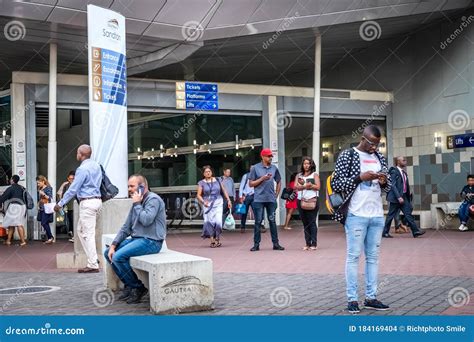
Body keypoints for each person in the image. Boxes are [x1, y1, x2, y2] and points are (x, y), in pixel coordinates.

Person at [331, 125, 391, 313]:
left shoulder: (379, 157)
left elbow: (387, 188)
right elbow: (336, 182)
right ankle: (352, 299)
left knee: (373, 258)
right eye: (372, 143)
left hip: (376, 215)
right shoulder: (348, 155)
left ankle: (371, 297)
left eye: (378, 144)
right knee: (353, 257)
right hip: (356, 215)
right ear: (363, 139)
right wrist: (359, 177)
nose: (375, 147)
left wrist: (383, 181)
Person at [104, 175, 166, 304]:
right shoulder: (136, 202)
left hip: (152, 242)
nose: (129, 189)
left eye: (132, 186)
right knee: (108, 253)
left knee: (118, 257)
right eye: (128, 186)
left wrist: (137, 203)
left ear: (143, 186)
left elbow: (146, 220)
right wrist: (114, 245)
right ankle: (129, 284)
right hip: (138, 240)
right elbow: (126, 227)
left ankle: (138, 288)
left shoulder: (153, 200)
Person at [54, 144, 102, 273]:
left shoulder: (82, 169)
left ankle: (93, 264)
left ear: (81, 154)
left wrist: (61, 203)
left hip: (87, 202)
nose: (76, 155)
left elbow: (73, 189)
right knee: (80, 231)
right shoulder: (97, 166)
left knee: (88, 234)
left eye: (77, 153)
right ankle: (93, 259)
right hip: (97, 201)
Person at [248, 148, 285, 251]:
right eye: (269, 156)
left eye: (271, 156)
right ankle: (256, 244)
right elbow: (250, 184)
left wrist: (276, 194)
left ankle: (276, 244)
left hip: (271, 200)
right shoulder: (255, 168)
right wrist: (262, 179)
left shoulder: (274, 168)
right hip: (258, 199)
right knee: (258, 222)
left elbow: (279, 181)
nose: (270, 158)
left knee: (272, 221)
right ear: (263, 157)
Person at [382, 156, 425, 238]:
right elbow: (393, 185)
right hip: (396, 198)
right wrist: (398, 197)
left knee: (408, 214)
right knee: (391, 215)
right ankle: (385, 232)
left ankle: (415, 231)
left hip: (404, 197)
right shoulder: (394, 171)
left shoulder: (404, 173)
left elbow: (404, 185)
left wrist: (408, 194)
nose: (405, 162)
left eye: (405, 160)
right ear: (398, 162)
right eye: (403, 160)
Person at [196, 165, 231, 247]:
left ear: (211, 172)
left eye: (209, 171)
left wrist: (228, 200)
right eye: (206, 172)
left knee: (218, 221)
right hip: (207, 204)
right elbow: (198, 195)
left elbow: (224, 190)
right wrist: (203, 202)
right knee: (209, 222)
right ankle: (212, 240)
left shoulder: (218, 180)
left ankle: (217, 238)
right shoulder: (201, 183)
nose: (208, 173)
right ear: (203, 174)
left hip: (218, 202)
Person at [295, 157, 320, 250]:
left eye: (308, 163)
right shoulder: (299, 175)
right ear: (302, 165)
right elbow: (295, 187)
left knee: (312, 222)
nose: (306, 165)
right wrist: (305, 186)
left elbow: (318, 187)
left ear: (311, 165)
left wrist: (311, 185)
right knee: (305, 223)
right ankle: (307, 243)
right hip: (301, 200)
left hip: (312, 200)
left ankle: (314, 244)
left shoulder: (315, 175)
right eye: (304, 163)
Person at [0, 175, 27, 246]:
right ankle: (8, 241)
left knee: (18, 224)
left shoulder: (11, 188)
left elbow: (3, 197)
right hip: (23, 206)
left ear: (12, 180)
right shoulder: (22, 188)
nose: (10, 180)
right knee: (12, 223)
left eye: (10, 179)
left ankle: (23, 242)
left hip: (15, 207)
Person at [57, 171, 76, 243]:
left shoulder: (77, 185)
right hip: (68, 206)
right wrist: (61, 204)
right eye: (70, 179)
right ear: (68, 178)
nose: (71, 180)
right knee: (70, 220)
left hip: (76, 206)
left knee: (74, 220)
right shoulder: (66, 185)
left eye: (73, 179)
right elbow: (60, 194)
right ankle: (72, 233)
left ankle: (74, 235)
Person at [36, 175, 54, 244]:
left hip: (46, 208)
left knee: (44, 223)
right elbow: (40, 199)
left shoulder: (48, 188)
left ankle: (51, 237)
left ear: (43, 181)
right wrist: (38, 205)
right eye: (37, 183)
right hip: (41, 208)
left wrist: (43, 194)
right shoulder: (40, 189)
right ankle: (49, 238)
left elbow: (49, 198)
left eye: (39, 183)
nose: (38, 184)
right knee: (44, 222)